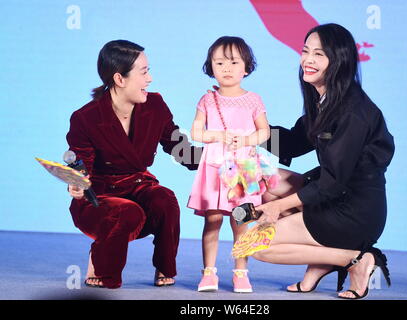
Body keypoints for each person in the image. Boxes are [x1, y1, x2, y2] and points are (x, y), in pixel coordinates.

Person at [251, 23, 395, 299]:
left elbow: (332, 183)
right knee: (264, 177)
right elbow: (293, 142)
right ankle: (319, 264)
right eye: (305, 51)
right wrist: (251, 129)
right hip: (335, 196)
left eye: (319, 54)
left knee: (256, 246)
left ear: (338, 61)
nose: (308, 60)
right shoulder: (327, 100)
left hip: (353, 213)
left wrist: (278, 207)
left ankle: (352, 258)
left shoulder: (353, 111)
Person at [67, 40, 200, 289]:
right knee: (126, 211)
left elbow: (178, 147)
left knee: (165, 199)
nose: (149, 79)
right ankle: (102, 263)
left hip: (138, 187)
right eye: (144, 71)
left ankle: (165, 266)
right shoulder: (85, 117)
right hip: (98, 198)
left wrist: (215, 159)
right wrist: (77, 184)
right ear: (120, 78)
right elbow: (81, 163)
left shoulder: (155, 105)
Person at [187, 36, 270, 293]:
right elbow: (196, 133)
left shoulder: (253, 99)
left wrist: (245, 139)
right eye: (219, 62)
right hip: (213, 167)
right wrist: (219, 136)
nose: (227, 68)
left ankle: (240, 273)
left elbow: (265, 132)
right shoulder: (207, 100)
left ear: (246, 67)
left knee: (241, 222)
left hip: (242, 169)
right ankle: (209, 272)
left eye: (234, 62)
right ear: (210, 67)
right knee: (212, 220)